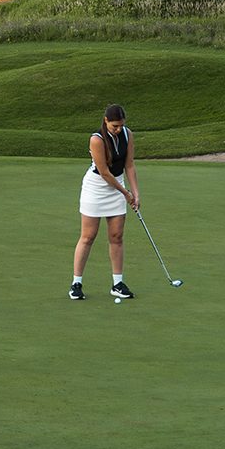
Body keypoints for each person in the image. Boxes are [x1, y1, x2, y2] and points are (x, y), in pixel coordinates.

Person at [69, 104, 139, 301]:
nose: (118, 129)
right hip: (97, 187)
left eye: (121, 125)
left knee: (117, 236)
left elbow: (130, 165)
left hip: (118, 187)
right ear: (106, 121)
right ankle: (76, 283)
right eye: (115, 126)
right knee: (88, 236)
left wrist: (136, 193)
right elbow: (105, 173)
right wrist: (126, 193)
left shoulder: (128, 135)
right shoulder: (96, 139)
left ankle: (117, 284)